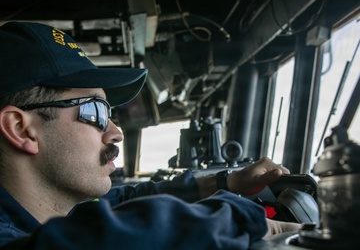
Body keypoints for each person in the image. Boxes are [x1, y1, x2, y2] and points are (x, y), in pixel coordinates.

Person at [0, 21, 300, 249]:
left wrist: (226, 182)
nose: (116, 132)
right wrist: (245, 219)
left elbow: (126, 197)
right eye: (97, 112)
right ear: (21, 129)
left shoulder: (58, 212)